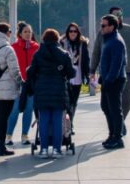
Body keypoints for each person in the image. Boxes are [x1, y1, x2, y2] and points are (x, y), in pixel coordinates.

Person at [27, 28, 75, 158]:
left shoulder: (38, 54)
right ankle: (56, 149)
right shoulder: (64, 54)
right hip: (58, 90)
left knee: (43, 120)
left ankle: (43, 150)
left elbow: (31, 71)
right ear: (57, 39)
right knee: (57, 120)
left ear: (43, 39)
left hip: (42, 90)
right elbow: (71, 73)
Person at [0, 22, 21, 157]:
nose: (11, 34)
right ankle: (1, 147)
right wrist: (20, 82)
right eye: (10, 31)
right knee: (4, 118)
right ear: (5, 33)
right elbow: (14, 70)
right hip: (7, 87)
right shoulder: (7, 49)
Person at [6, 22, 40, 147]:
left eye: (29, 32)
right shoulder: (13, 47)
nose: (27, 34)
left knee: (28, 110)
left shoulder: (36, 47)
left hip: (31, 84)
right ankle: (8, 135)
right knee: (14, 110)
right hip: (17, 84)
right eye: (25, 32)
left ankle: (25, 135)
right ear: (20, 33)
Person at [97, 15, 127, 149]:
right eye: (101, 25)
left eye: (103, 25)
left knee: (115, 109)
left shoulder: (116, 41)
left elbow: (117, 64)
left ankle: (118, 138)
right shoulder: (108, 40)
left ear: (112, 26)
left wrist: (108, 80)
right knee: (105, 107)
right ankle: (112, 134)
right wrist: (102, 77)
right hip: (108, 79)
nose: (101, 28)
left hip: (115, 80)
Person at [61, 23, 90, 122]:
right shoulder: (62, 43)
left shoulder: (82, 44)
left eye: (75, 31)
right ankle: (67, 123)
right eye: (71, 31)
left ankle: (70, 122)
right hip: (66, 75)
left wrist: (87, 75)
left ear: (78, 33)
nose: (73, 33)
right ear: (67, 32)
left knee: (74, 101)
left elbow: (86, 60)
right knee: (67, 101)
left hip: (78, 75)